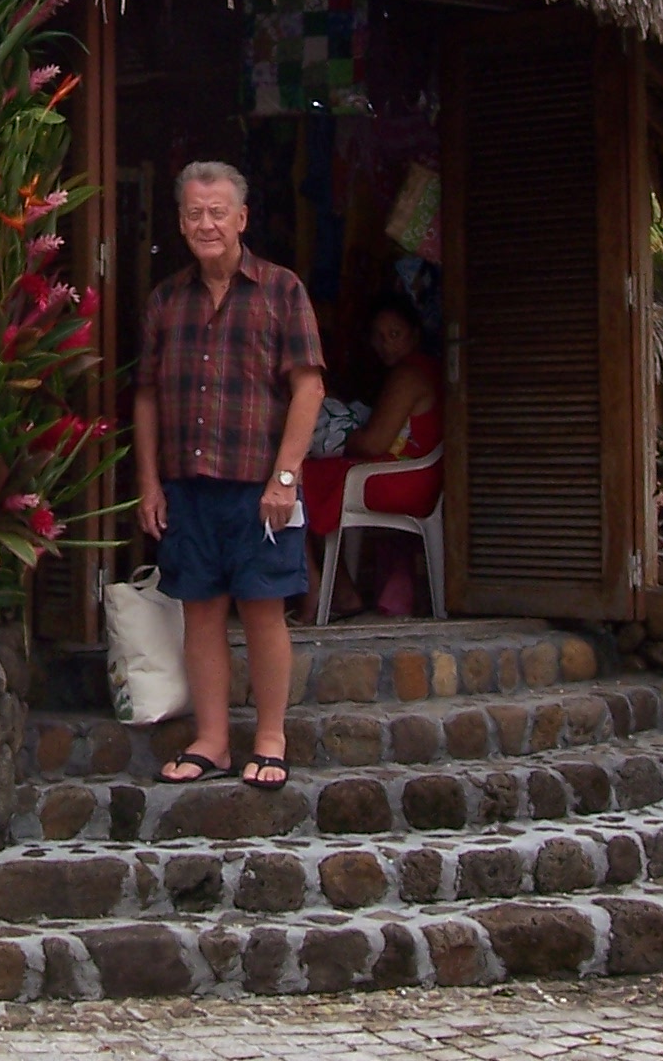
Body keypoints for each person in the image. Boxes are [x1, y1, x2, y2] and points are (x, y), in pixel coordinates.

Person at [134, 160, 326, 789]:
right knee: (200, 611)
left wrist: (287, 478)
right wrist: (149, 483)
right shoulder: (166, 299)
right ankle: (213, 739)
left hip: (260, 487)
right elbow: (146, 397)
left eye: (218, 212)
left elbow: (309, 387)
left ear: (242, 218)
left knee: (264, 610)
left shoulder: (281, 289)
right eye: (194, 213)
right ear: (181, 221)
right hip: (187, 484)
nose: (206, 223)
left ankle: (269, 737)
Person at [300, 298, 444, 615]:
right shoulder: (428, 369)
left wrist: (338, 434)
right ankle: (340, 591)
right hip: (420, 477)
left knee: (295, 484)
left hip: (403, 481)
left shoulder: (408, 375)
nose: (386, 345)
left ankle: (324, 592)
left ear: (415, 334)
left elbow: (373, 444)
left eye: (395, 334)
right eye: (379, 336)